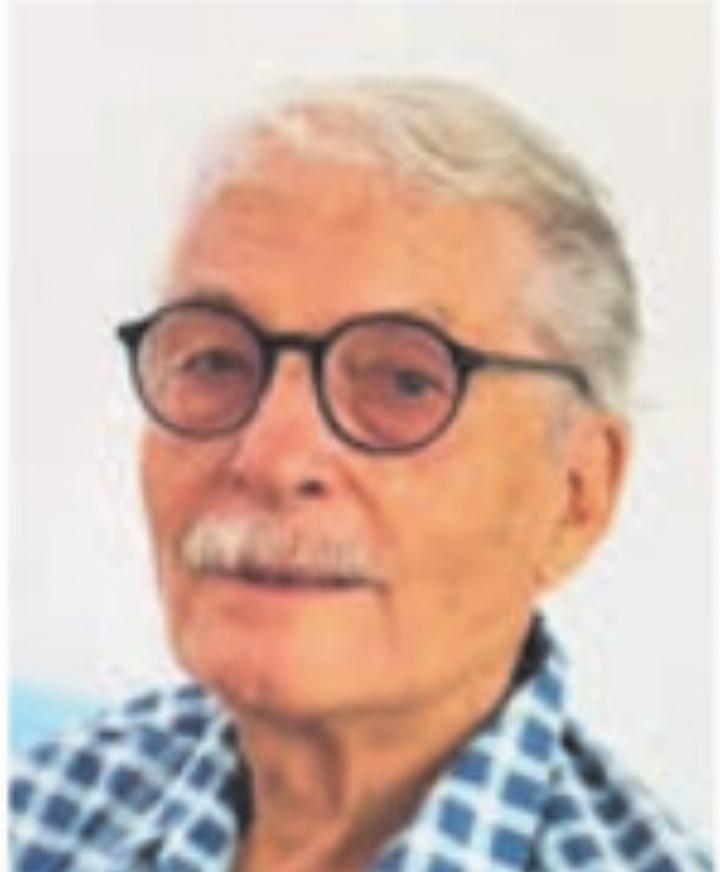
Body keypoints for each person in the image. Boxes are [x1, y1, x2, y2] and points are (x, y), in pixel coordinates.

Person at [10, 78, 712, 872]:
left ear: (578, 496)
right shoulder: (42, 810)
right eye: (215, 361)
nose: (270, 458)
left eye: (404, 383)